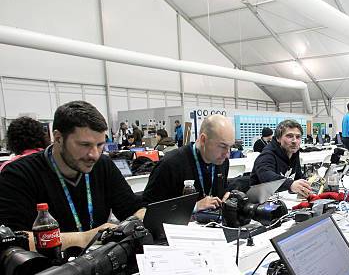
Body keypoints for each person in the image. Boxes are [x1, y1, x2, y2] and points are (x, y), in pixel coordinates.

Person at [0, 101, 144, 250]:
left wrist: (143, 218)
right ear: (58, 138)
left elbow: (132, 208)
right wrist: (87, 237)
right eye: (84, 145)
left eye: (100, 145)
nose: (94, 155)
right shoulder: (18, 175)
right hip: (47, 268)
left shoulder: (103, 165)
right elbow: (11, 239)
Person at [143, 114, 233, 210]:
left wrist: (227, 197)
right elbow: (147, 209)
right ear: (203, 140)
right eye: (223, 146)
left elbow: (220, 193)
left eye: (230, 147)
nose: (227, 154)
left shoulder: (222, 162)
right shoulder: (170, 164)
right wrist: (194, 207)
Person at [250, 119, 311, 196]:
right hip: (260, 200)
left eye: (298, 137)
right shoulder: (267, 154)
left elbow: (298, 176)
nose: (294, 141)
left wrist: (306, 184)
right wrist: (290, 184)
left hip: (282, 198)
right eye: (289, 136)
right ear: (278, 138)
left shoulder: (293, 152)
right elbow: (266, 176)